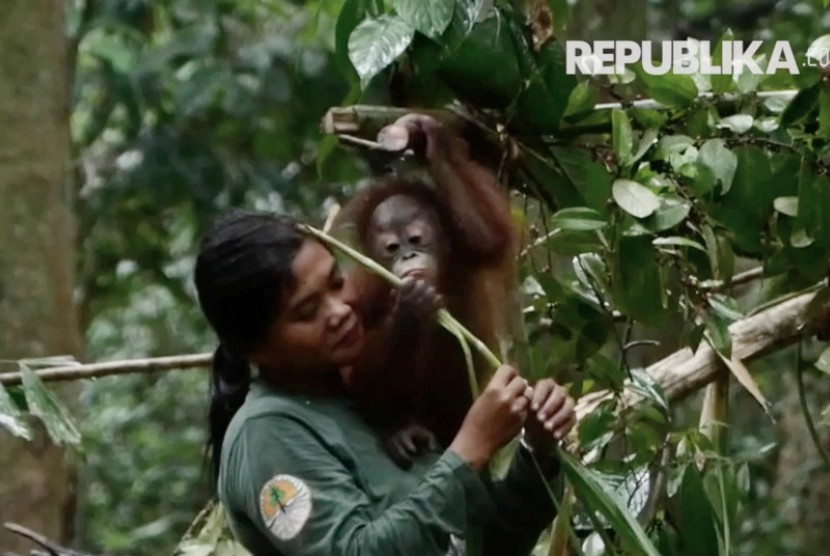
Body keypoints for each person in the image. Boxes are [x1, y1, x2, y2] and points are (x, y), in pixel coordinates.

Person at [194, 209, 577, 556]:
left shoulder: (371, 392)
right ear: (255, 349)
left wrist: (536, 449)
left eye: (337, 282)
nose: (340, 311)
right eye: (308, 312)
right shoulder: (267, 435)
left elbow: (486, 543)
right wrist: (468, 450)